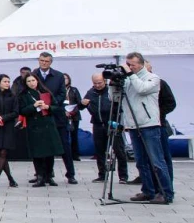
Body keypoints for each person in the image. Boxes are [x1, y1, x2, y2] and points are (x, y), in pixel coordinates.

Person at [123, 52, 173, 203]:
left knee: (157, 161)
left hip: (149, 125)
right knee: (141, 161)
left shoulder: (153, 78)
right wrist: (114, 84)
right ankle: (148, 190)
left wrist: (130, 74)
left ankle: (166, 193)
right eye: (128, 64)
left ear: (141, 64)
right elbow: (114, 98)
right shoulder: (129, 80)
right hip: (133, 124)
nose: (130, 67)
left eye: (133, 64)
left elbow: (142, 89)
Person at [31, 52, 76, 184]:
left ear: (51, 62)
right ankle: (43, 174)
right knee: (44, 146)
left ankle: (70, 174)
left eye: (46, 61)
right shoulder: (34, 75)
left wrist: (50, 104)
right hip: (40, 116)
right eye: (41, 60)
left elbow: (62, 94)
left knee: (64, 146)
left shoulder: (58, 75)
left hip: (56, 114)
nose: (43, 63)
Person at [83, 72, 130, 184]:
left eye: (99, 83)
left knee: (119, 150)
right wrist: (83, 103)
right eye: (95, 83)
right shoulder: (91, 92)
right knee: (100, 151)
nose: (98, 85)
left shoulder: (111, 91)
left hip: (112, 123)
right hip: (98, 124)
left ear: (105, 81)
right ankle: (102, 175)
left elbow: (121, 106)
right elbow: (80, 106)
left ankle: (123, 176)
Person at [19, 73, 63, 187]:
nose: (31, 83)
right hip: (34, 126)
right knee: (37, 153)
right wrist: (33, 106)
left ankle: (49, 176)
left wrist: (48, 107)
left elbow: (57, 107)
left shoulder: (45, 92)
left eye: (33, 80)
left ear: (37, 81)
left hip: (48, 124)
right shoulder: (23, 95)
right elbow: (22, 111)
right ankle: (40, 176)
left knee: (50, 153)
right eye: (28, 81)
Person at [159, 75, 177, 184]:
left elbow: (171, 103)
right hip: (142, 126)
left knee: (163, 157)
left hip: (159, 125)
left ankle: (167, 185)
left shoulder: (160, 83)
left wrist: (157, 114)